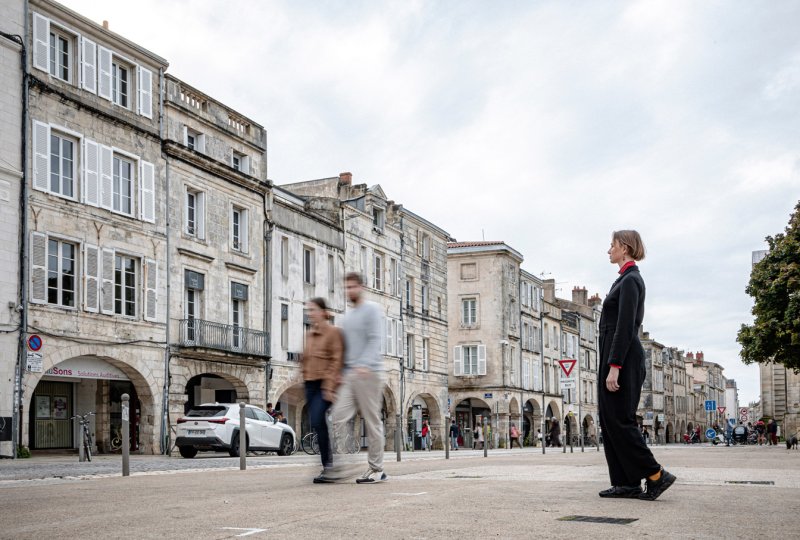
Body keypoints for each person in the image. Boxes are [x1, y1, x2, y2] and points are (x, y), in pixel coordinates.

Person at [597, 230, 676, 501]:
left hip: (623, 359)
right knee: (610, 422)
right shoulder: (623, 280)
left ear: (626, 248)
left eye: (612, 245)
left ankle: (655, 474)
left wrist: (615, 365)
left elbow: (626, 326)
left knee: (621, 421)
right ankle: (626, 482)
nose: (609, 250)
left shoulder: (631, 280)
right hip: (613, 357)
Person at [328, 272, 387, 484]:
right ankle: (344, 463)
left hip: (369, 372)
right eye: (346, 287)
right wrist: (341, 372)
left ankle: (376, 469)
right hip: (350, 375)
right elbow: (347, 348)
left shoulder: (372, 310)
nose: (349, 291)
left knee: (372, 422)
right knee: (337, 416)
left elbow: (374, 340)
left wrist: (364, 364)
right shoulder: (348, 316)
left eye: (352, 287)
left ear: (361, 287)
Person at [301, 297, 344, 484]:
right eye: (308, 310)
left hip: (324, 384)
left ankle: (329, 466)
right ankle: (329, 466)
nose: (310, 313)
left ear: (323, 312)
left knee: (319, 419)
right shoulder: (309, 335)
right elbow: (305, 360)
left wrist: (329, 386)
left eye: (313, 310)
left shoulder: (333, 332)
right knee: (317, 424)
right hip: (310, 384)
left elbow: (337, 360)